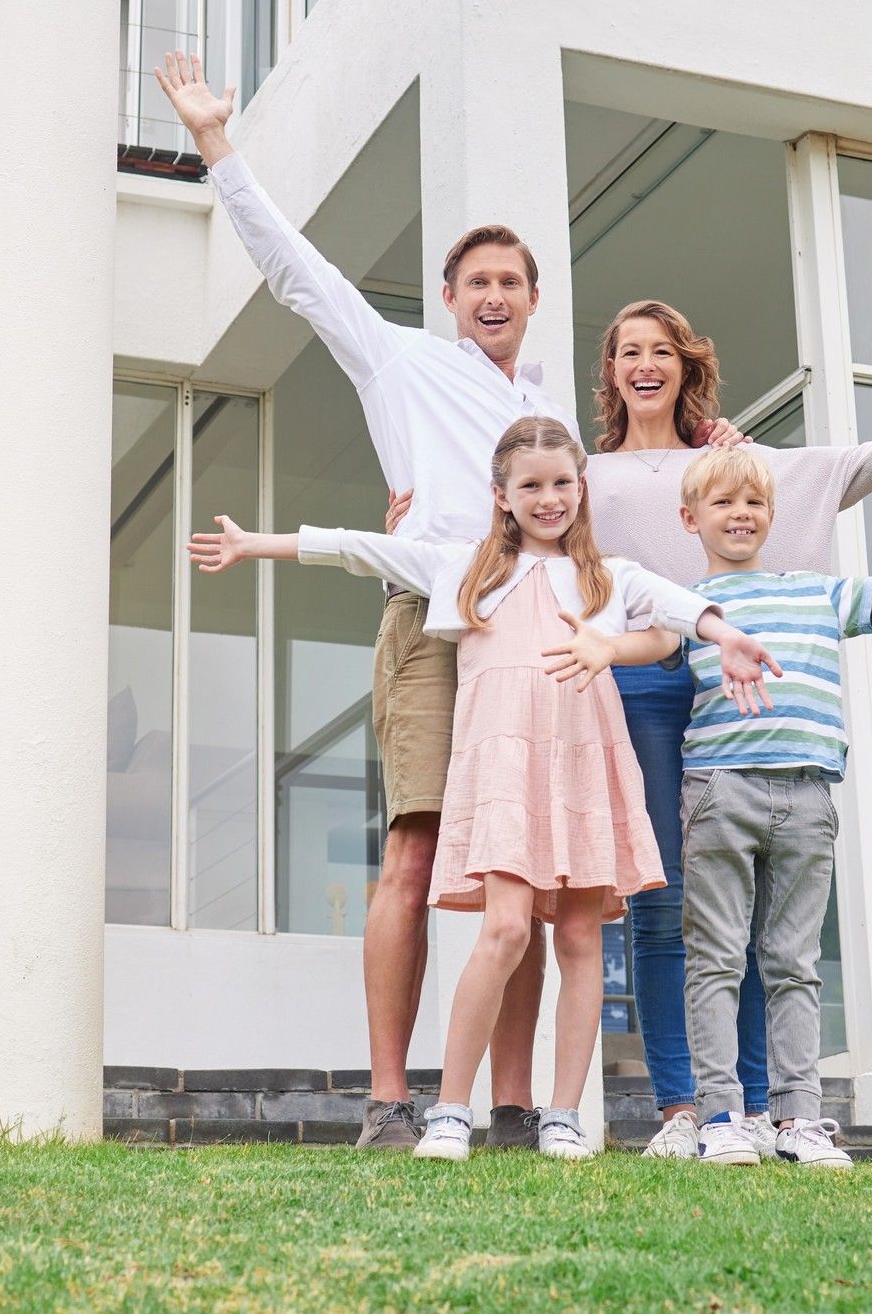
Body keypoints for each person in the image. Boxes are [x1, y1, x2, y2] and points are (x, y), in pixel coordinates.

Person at [154, 49, 575, 1151]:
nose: (492, 296)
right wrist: (216, 146)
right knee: (417, 857)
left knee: (521, 874)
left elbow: (599, 509)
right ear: (448, 299)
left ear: (533, 302)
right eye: (474, 281)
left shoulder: (543, 409)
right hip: (435, 633)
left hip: (533, 644)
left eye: (510, 282)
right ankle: (391, 1100)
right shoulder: (400, 363)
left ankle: (517, 1107)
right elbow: (295, 272)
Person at [188, 418, 779, 1161]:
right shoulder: (462, 567)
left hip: (580, 766)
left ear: (580, 489)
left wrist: (726, 637)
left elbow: (680, 607)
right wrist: (256, 544)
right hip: (502, 771)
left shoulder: (610, 575)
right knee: (503, 928)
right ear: (500, 496)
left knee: (576, 936)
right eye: (530, 484)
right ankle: (448, 1110)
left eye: (562, 482)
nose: (549, 497)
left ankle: (561, 1114)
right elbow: (353, 546)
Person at [576, 300, 872, 1158]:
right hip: (645, 679)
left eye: (661, 351)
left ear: (685, 364)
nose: (644, 364)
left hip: (740, 693)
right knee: (663, 902)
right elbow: (528, 520)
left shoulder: (732, 464)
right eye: (627, 352)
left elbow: (858, 467)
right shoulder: (590, 475)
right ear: (610, 372)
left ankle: (756, 1104)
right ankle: (685, 1107)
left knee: (749, 919)